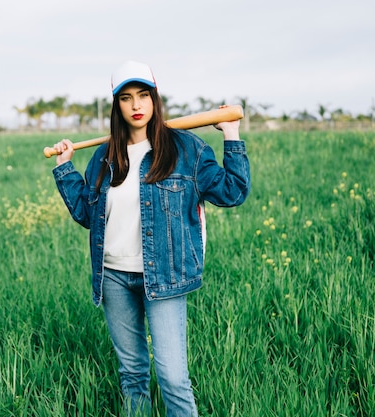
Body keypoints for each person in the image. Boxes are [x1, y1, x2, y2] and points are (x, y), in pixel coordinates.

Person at [51, 60, 250, 417]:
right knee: (133, 376)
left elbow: (233, 192)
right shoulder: (102, 155)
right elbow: (87, 215)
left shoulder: (186, 149)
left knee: (173, 378)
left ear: (155, 99)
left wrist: (231, 134)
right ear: (117, 106)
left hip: (166, 275)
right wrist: (65, 167)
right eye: (126, 98)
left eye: (143, 95)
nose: (136, 105)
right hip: (113, 277)